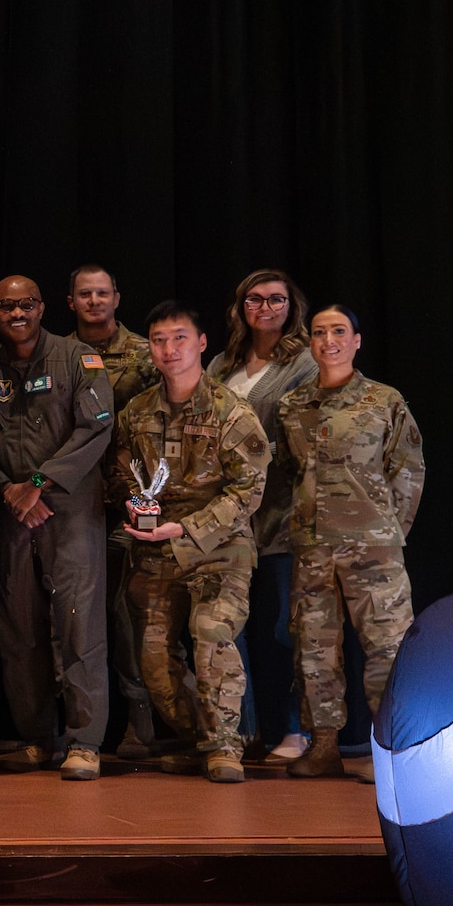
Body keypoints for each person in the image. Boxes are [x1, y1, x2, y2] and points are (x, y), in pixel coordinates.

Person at [109, 302, 269, 784]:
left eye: (179, 338)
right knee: (154, 662)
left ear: (201, 344)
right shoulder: (136, 412)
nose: (168, 348)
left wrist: (186, 528)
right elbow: (121, 473)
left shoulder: (231, 412)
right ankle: (203, 738)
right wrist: (133, 505)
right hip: (154, 552)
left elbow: (250, 489)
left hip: (218, 549)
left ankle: (224, 748)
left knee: (211, 635)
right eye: (158, 340)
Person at [277, 306, 425, 780]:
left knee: (388, 646)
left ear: (356, 340)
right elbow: (287, 474)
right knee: (314, 648)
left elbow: (408, 468)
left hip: (372, 547)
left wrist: (388, 529)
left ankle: (390, 753)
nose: (328, 341)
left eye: (338, 331)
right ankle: (323, 746)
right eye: (319, 333)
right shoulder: (292, 405)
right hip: (312, 547)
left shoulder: (383, 400)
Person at [0, 275, 115, 779]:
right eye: (7, 306)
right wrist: (10, 490)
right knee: (19, 631)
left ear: (42, 308)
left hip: (70, 511)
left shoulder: (78, 358)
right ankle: (38, 737)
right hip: (13, 514)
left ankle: (84, 743)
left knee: (80, 624)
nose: (18, 313)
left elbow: (97, 425)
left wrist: (38, 482)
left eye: (27, 304)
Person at [206, 269, 319, 763]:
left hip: (279, 513)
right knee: (230, 627)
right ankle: (243, 731)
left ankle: (295, 730)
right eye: (255, 299)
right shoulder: (220, 363)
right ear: (241, 306)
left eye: (276, 299)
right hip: (229, 519)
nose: (266, 308)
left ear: (292, 306)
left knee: (283, 627)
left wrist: (243, 455)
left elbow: (304, 438)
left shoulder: (306, 362)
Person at [69, 263, 164, 760]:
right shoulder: (61, 353)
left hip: (133, 499)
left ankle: (140, 717)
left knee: (128, 613)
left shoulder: (146, 356)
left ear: (116, 297)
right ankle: (80, 725)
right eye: (84, 294)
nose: (93, 302)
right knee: (81, 616)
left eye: (102, 293)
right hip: (77, 502)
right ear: (71, 302)